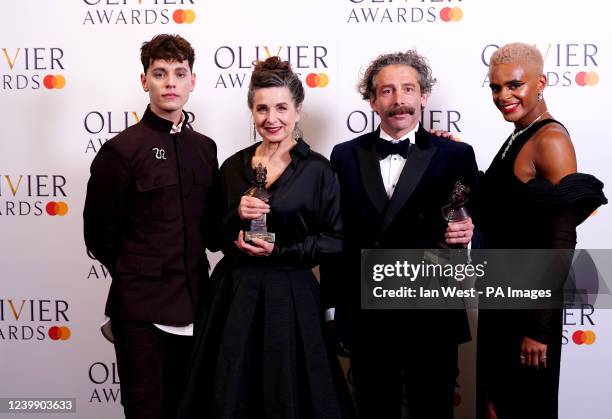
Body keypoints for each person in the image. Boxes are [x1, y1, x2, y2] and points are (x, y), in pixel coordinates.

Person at [177, 57, 354, 419]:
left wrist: (283, 249)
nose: (271, 118)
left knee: (291, 395)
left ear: (298, 110)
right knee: (229, 393)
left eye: (281, 108)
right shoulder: (232, 166)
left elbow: (336, 241)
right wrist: (235, 219)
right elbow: (212, 237)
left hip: (292, 298)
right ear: (252, 112)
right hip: (234, 295)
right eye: (262, 109)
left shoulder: (319, 169)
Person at [322, 51, 478, 419]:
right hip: (367, 316)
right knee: (375, 409)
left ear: (424, 96)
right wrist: (334, 309)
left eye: (408, 89)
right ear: (373, 101)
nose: (399, 100)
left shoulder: (456, 154)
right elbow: (335, 238)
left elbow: (477, 225)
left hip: (432, 314)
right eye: (387, 91)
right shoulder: (344, 155)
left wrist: (468, 237)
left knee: (433, 409)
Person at [83, 34, 220, 419]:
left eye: (180, 73)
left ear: (193, 80)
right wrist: (137, 274)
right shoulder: (121, 150)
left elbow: (210, 231)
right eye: (160, 73)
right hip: (140, 311)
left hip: (196, 306)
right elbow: (99, 234)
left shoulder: (205, 149)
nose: (171, 82)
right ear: (145, 81)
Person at [475, 42, 607, 419]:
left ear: (541, 83)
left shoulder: (550, 140)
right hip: (501, 297)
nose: (503, 96)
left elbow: (561, 242)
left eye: (514, 85)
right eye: (495, 88)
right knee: (495, 406)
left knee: (523, 407)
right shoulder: (520, 134)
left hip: (528, 311)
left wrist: (539, 328)